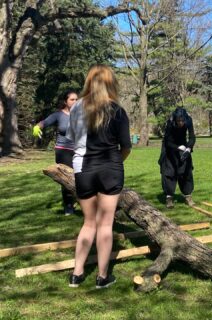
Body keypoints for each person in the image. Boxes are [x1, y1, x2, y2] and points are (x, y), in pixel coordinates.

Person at [66, 65, 132, 289]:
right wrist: (115, 164)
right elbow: (127, 147)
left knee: (88, 223)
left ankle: (77, 273)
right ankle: (102, 276)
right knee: (105, 224)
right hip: (110, 168)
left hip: (83, 168)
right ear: (111, 83)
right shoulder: (117, 110)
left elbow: (71, 139)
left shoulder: (76, 108)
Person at [33, 89, 78, 215]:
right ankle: (68, 205)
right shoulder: (59, 115)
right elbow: (45, 122)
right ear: (65, 101)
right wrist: (37, 127)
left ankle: (81, 201)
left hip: (79, 151)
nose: (75, 102)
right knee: (66, 178)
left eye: (76, 99)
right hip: (63, 151)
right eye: (72, 99)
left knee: (81, 177)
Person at [158, 107, 196, 209]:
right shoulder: (170, 122)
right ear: (175, 119)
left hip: (183, 144)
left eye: (182, 120)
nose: (181, 123)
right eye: (178, 121)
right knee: (170, 172)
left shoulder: (189, 120)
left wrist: (188, 148)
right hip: (170, 146)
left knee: (186, 171)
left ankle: (188, 196)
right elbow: (167, 141)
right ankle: (169, 198)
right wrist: (177, 147)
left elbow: (192, 137)